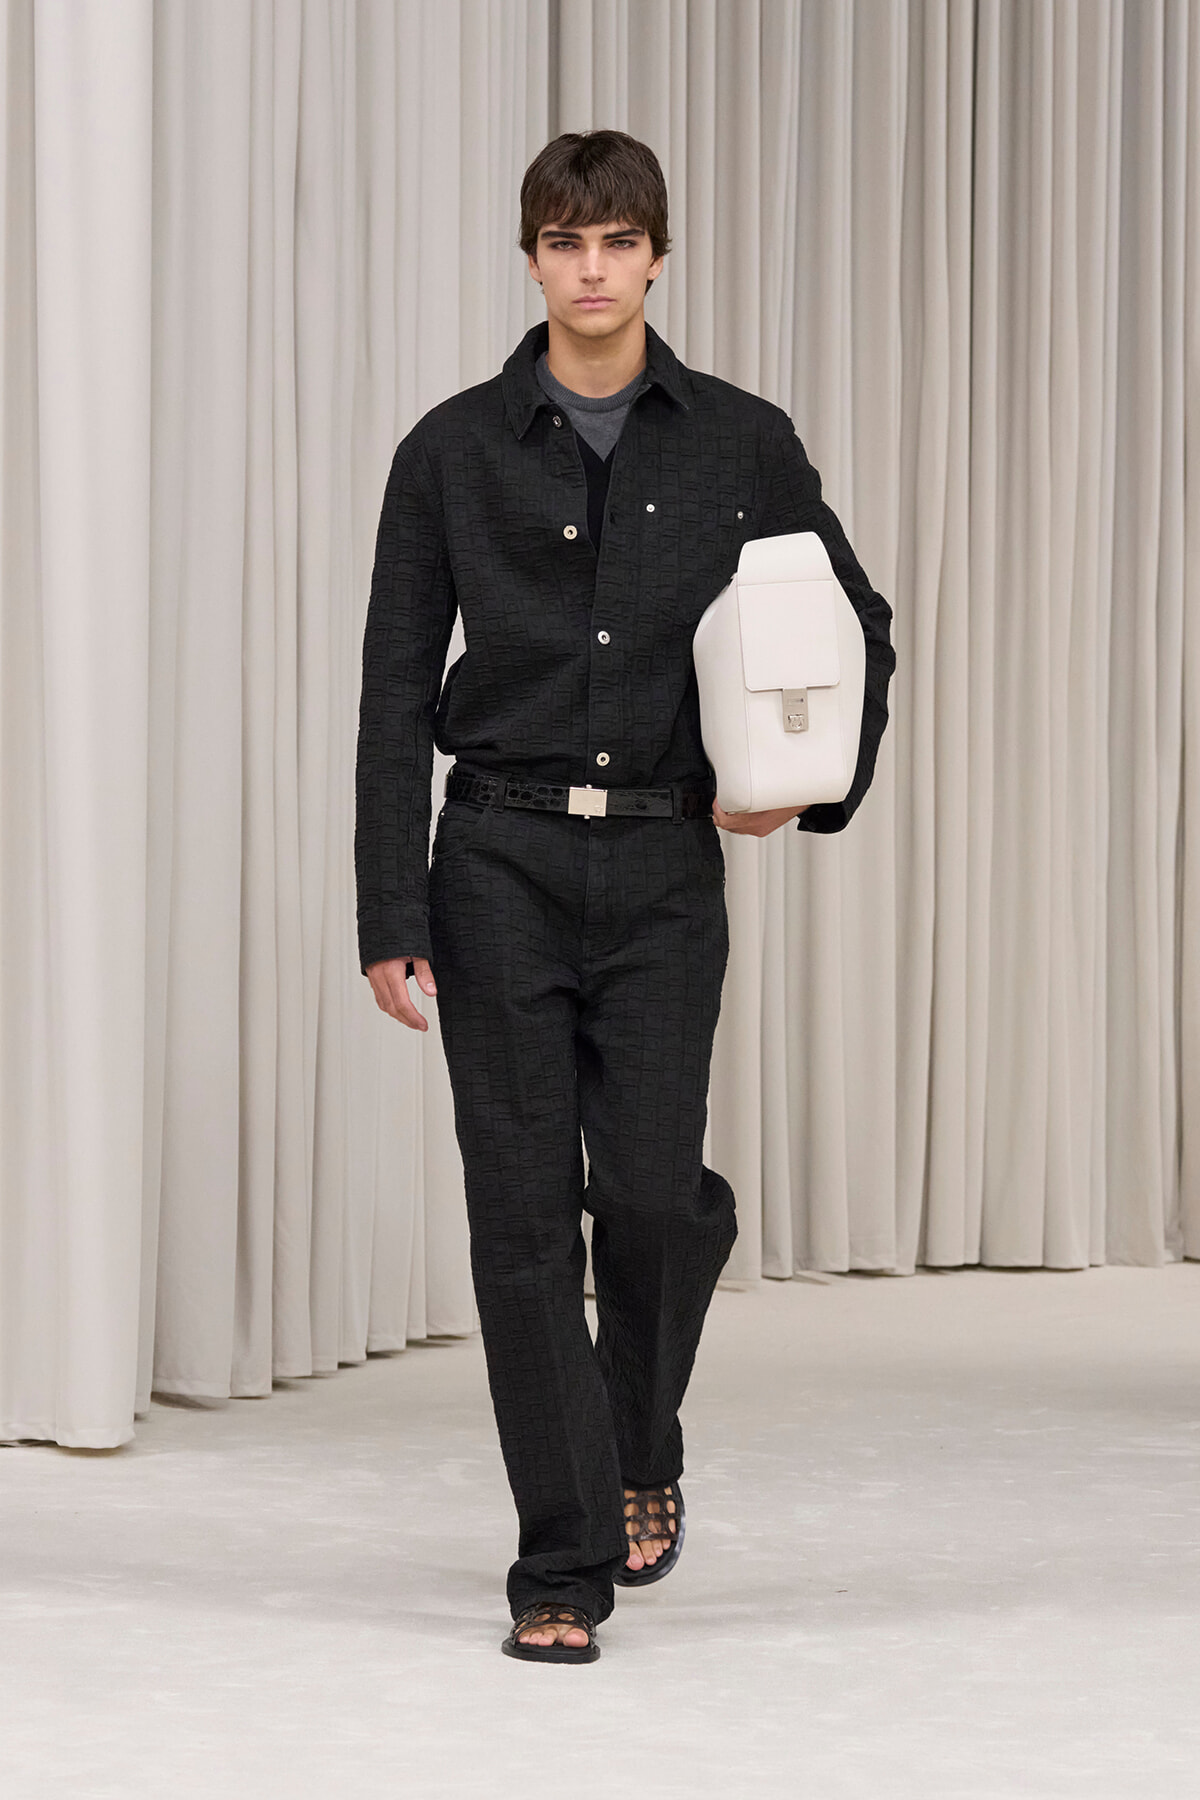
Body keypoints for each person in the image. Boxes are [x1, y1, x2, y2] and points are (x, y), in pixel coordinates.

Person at [355, 129, 894, 1664]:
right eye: (562, 243)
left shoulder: (742, 444)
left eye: (616, 242)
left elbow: (857, 630)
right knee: (522, 1221)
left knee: (653, 1198)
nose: (590, 270)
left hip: (665, 863)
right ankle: (563, 1557)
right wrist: (391, 908)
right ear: (529, 258)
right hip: (499, 865)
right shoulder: (449, 450)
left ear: (659, 255)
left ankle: (640, 1433)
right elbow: (395, 693)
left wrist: (806, 787)